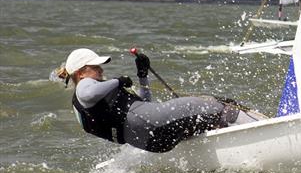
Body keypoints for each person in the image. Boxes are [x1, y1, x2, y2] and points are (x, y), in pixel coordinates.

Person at [55, 48, 241, 153]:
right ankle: (257, 128)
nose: (101, 71)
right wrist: (117, 81)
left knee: (201, 122)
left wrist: (142, 75)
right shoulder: (84, 87)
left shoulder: (94, 96)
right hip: (150, 123)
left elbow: (145, 104)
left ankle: (229, 142)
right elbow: (88, 92)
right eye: (96, 67)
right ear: (80, 73)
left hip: (151, 142)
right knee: (216, 104)